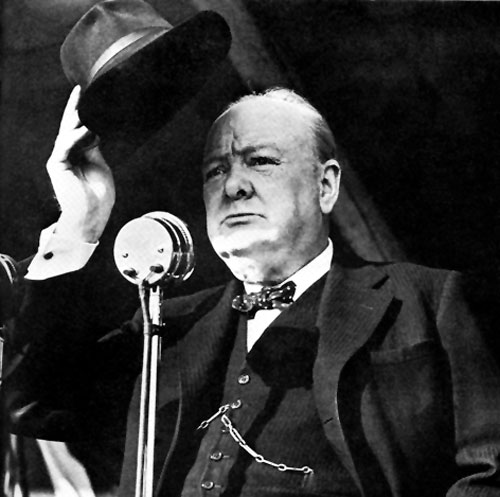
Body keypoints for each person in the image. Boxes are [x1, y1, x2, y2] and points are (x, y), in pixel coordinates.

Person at [5, 85, 500, 497]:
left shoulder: (432, 302)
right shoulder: (164, 328)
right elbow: (28, 401)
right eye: (215, 170)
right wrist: (81, 218)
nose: (233, 186)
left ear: (326, 186)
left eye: (260, 161)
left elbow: (489, 472)